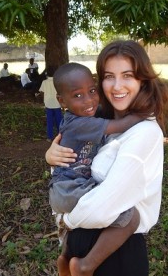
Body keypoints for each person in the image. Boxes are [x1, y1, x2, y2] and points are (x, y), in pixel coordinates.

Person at [46, 40, 168, 276]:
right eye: (109, 76)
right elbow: (68, 162)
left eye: (127, 75)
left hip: (116, 258)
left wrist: (65, 220)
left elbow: (100, 209)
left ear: (142, 80)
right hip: (81, 250)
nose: (117, 86)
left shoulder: (144, 132)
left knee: (132, 217)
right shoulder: (97, 119)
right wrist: (51, 156)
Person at [50, 62, 146, 276]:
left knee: (81, 220)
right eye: (78, 95)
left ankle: (66, 259)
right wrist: (145, 113)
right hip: (70, 189)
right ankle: (86, 266)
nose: (89, 100)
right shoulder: (80, 123)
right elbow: (119, 126)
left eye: (92, 91)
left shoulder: (83, 117)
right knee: (132, 218)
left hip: (66, 187)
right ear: (61, 101)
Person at [38, 66, 63, 142]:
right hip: (57, 103)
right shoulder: (57, 82)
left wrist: (44, 99)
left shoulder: (44, 82)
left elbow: (41, 92)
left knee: (49, 121)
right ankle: (60, 136)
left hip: (48, 103)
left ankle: (49, 137)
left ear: (46, 73)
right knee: (59, 120)